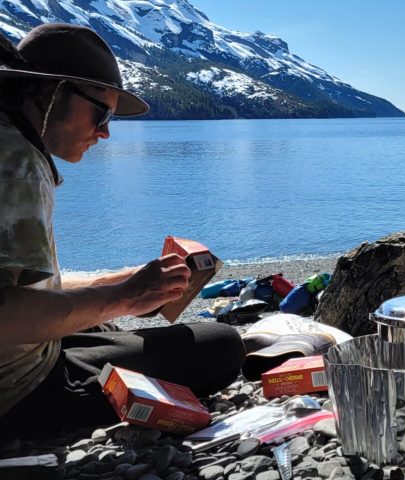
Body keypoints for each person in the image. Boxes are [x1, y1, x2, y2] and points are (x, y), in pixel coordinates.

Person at [0, 23, 244, 438]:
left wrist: (121, 283)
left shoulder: (12, 143)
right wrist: (124, 296)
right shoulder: (18, 165)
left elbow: (28, 288)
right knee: (220, 346)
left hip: (25, 359)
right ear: (50, 92)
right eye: (102, 112)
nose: (105, 131)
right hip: (19, 392)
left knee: (106, 326)